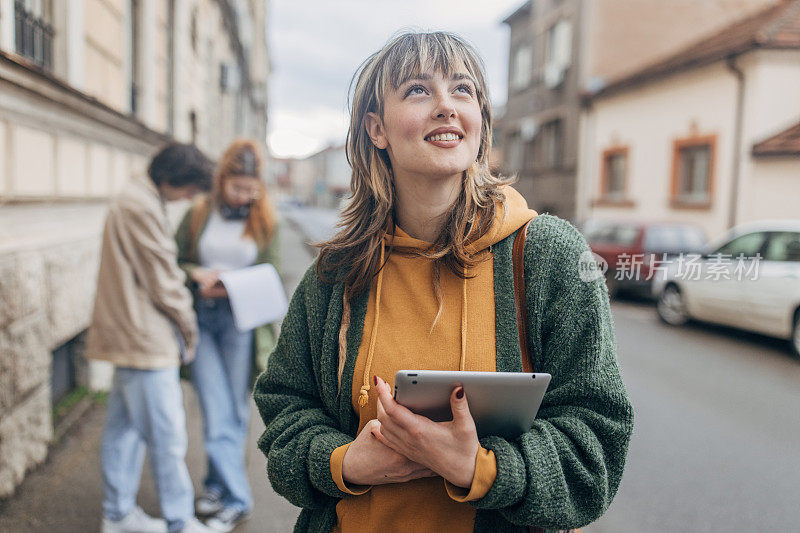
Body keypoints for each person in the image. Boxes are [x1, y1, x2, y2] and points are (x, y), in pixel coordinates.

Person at [253, 31, 634, 532]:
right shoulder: (338, 273)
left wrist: (478, 467)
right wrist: (343, 462)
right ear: (376, 129)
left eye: (462, 90)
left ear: (480, 122)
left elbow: (597, 438)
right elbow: (285, 404)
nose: (446, 107)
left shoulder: (546, 255)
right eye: (417, 90)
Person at [86, 143, 217, 533]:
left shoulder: (135, 197)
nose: (190, 198)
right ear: (170, 179)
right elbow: (163, 280)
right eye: (190, 189)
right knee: (167, 436)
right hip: (145, 337)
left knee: (124, 431)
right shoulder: (140, 205)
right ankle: (179, 521)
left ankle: (118, 514)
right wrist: (188, 327)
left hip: (131, 334)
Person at [175, 139, 280, 532]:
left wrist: (231, 284)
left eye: (251, 189)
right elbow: (174, 260)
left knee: (234, 411)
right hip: (201, 318)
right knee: (215, 407)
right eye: (237, 188)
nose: (244, 196)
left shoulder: (266, 219)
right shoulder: (198, 214)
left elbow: (272, 271)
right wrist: (194, 274)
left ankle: (219, 489)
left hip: (242, 321)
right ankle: (235, 497)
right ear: (221, 181)